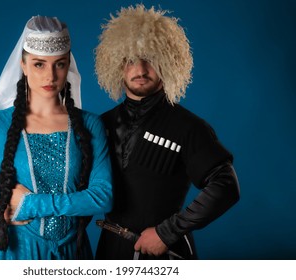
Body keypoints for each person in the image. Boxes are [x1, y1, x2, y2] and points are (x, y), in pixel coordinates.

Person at [0, 15, 113, 260]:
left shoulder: (90, 124)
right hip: (16, 252)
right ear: (23, 65)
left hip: (73, 253)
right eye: (39, 64)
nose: (50, 75)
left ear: (69, 66)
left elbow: (103, 198)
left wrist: (32, 204)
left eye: (59, 64)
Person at [94, 4, 240, 260]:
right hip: (109, 251)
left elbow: (225, 186)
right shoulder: (101, 124)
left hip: (166, 252)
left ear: (168, 61)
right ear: (117, 64)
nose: (139, 70)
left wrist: (167, 232)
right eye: (129, 60)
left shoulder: (188, 126)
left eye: (150, 59)